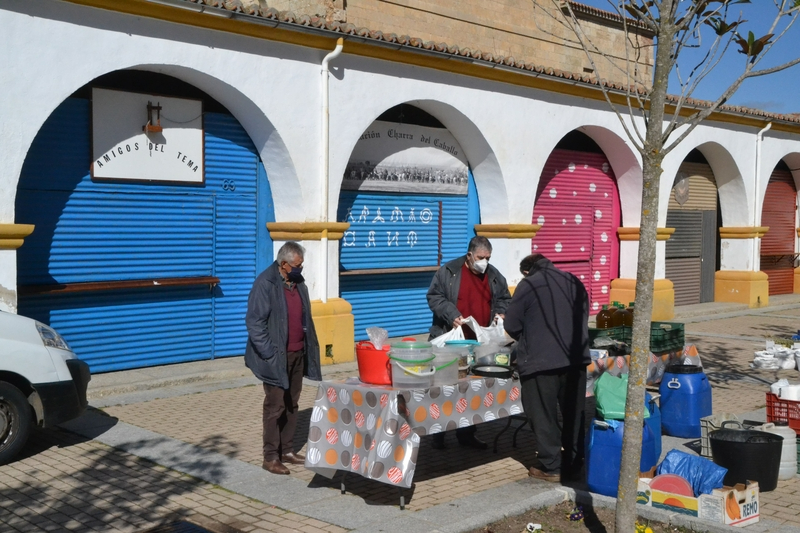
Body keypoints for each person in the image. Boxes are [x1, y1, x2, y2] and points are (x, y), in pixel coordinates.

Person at [503, 253, 590, 483]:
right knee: (574, 413)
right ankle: (574, 462)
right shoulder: (574, 281)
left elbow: (511, 325)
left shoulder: (528, 285)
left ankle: (552, 465)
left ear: (526, 271)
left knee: (543, 414)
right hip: (576, 360)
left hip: (541, 363)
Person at [426, 236, 512, 449]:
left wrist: (501, 313)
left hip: (480, 339)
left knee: (471, 389)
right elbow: (434, 297)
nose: (484, 262)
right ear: (469, 256)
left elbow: (504, 298)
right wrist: (451, 314)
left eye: (488, 258)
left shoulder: (493, 275)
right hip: (452, 338)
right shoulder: (448, 272)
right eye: (481, 257)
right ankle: (439, 432)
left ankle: (466, 433)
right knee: (447, 388)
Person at [245, 241, 321, 475]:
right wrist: (268, 352)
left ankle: (287, 449)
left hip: (297, 353)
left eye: (302, 264)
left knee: (292, 403)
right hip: (275, 357)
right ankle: (270, 457)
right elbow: (255, 322)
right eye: (297, 265)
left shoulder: (298, 283)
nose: (301, 268)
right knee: (274, 406)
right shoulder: (265, 283)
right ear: (284, 264)